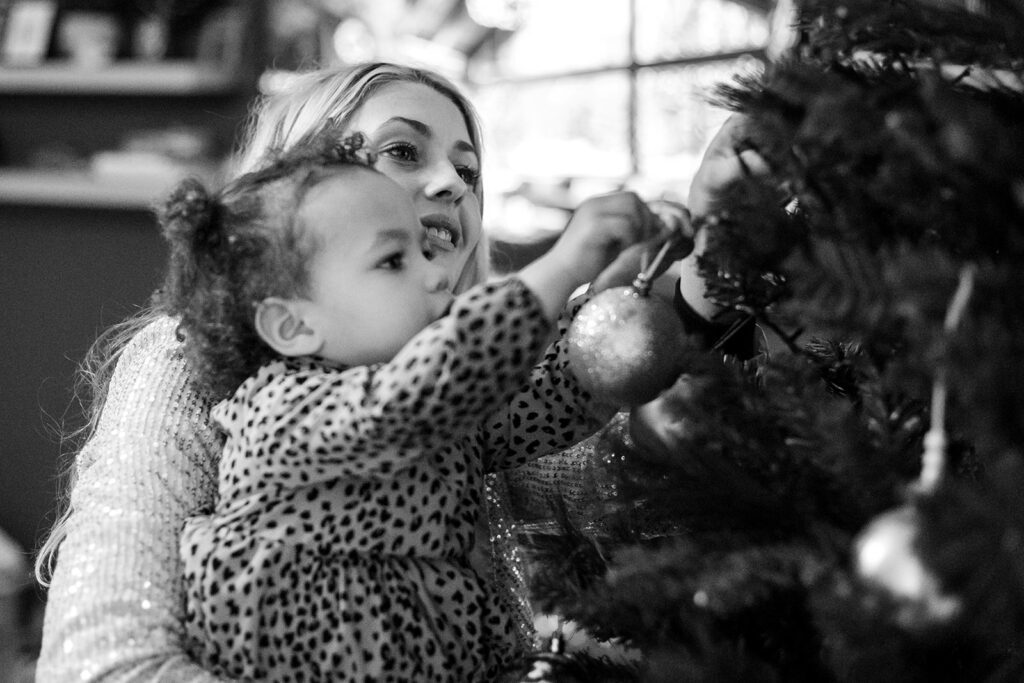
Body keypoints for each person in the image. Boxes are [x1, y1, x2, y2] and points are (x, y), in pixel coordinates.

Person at [33, 61, 752, 680]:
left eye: (468, 170)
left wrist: (689, 282)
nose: (452, 183)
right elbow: (102, 660)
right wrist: (559, 270)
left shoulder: (461, 380)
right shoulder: (273, 386)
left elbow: (569, 406)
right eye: (403, 152)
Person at [159, 128, 671, 681]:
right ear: (293, 324)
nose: (433, 274)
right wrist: (560, 267)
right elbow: (430, 382)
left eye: (423, 251)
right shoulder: (285, 410)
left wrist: (612, 297)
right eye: (393, 261)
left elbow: (549, 402)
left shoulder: (432, 400)